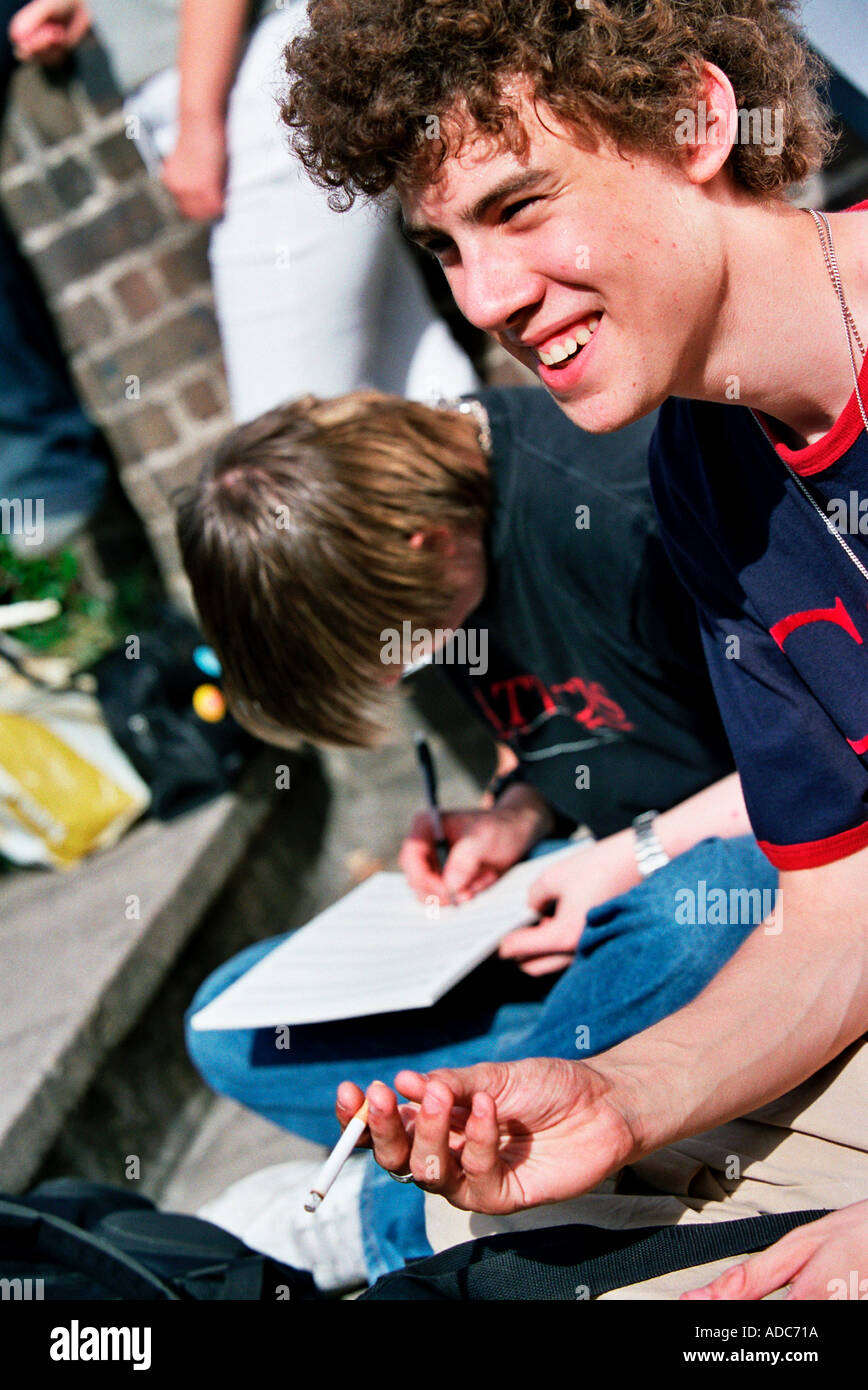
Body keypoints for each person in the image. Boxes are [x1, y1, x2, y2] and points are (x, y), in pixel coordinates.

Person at [280, 0, 868, 1299]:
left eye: (521, 204)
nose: (485, 298)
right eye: (442, 244)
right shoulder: (703, 466)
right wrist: (613, 1093)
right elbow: (842, 909)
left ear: (701, 121)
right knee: (480, 1261)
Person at [176, 383, 774, 1288]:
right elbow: (555, 730)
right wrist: (514, 811)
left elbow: (829, 758)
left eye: (394, 651)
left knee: (688, 922)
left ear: (424, 545)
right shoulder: (438, 551)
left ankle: (404, 1212)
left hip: (755, 873)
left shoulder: (623, 500)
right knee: (232, 1024)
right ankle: (515, 1106)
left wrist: (634, 856)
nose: (406, 672)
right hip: (600, 902)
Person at [9, 0, 479, 423]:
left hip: (257, 93)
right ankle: (520, 505)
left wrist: (198, 124)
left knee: (283, 442)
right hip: (260, 82)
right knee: (418, 390)